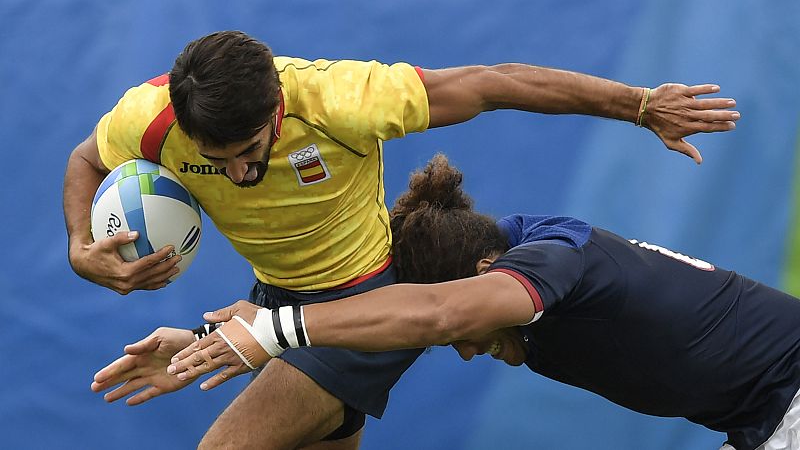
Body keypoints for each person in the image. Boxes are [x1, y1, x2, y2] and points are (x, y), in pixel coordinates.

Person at [73, 30, 740, 449]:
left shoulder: (342, 100)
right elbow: (86, 161)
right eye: (216, 161)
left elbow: (490, 85)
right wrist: (82, 248)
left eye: (250, 152)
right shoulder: (148, 117)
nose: (239, 175)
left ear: (276, 106)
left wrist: (639, 105)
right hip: (273, 296)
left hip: (370, 301)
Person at [157, 154, 800, 450]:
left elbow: (441, 313)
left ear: (485, 272)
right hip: (761, 417)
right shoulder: (487, 251)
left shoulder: (550, 259)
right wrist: (213, 340)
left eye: (459, 339)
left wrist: (275, 329)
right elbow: (372, 311)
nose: (465, 352)